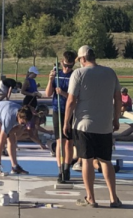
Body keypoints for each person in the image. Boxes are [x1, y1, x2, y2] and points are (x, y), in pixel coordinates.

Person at [63, 45, 122, 208]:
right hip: (104, 124)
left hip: (84, 124)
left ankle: (91, 197)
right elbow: (118, 98)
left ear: (82, 59)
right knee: (106, 161)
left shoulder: (79, 73)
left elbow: (71, 100)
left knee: (86, 160)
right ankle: (113, 197)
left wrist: (66, 121)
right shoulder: (110, 73)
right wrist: (116, 119)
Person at [46, 50, 77, 183]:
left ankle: (67, 168)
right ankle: (60, 170)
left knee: (69, 142)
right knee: (60, 142)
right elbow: (48, 94)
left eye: (70, 66)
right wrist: (50, 80)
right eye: (65, 66)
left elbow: (75, 97)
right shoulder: (57, 75)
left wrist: (63, 93)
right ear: (61, 63)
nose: (67, 68)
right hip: (57, 110)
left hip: (70, 110)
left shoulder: (74, 76)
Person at [0, 100, 32, 176]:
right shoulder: (9, 119)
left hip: (4, 111)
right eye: (22, 123)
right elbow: (1, 141)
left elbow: (17, 135)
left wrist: (22, 127)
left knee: (11, 140)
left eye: (25, 123)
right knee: (0, 140)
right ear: (18, 117)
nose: (24, 124)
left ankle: (15, 166)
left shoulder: (25, 115)